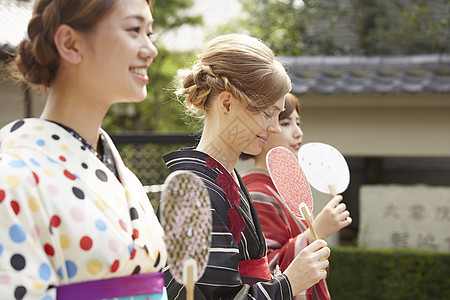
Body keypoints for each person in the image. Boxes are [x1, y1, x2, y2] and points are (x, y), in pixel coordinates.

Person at [0, 0, 167, 299]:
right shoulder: (12, 177)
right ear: (70, 43)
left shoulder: (123, 177)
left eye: (149, 33)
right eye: (134, 30)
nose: (150, 49)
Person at [161, 34, 330, 299]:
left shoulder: (224, 178)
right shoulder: (194, 189)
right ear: (227, 103)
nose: (274, 126)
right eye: (266, 114)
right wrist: (289, 283)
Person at [240, 93, 353, 300]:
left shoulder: (281, 188)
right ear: (264, 128)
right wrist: (316, 231)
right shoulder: (257, 192)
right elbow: (264, 267)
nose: (298, 132)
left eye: (298, 123)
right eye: (286, 123)